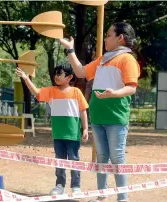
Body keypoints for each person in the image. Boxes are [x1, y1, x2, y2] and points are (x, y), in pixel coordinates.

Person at [59, 22, 141, 202]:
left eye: (108, 35)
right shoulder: (102, 59)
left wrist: (115, 93)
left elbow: (131, 88)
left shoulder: (127, 60)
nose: (105, 38)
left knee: (117, 158)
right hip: (97, 116)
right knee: (102, 157)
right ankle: (101, 195)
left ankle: (122, 198)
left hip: (116, 117)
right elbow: (80, 72)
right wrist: (70, 50)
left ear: (120, 38)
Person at [16, 64, 89, 195]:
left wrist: (85, 129)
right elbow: (37, 93)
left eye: (59, 74)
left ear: (70, 77)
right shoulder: (51, 91)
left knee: (74, 160)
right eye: (55, 73)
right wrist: (26, 79)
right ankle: (60, 185)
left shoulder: (76, 92)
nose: (56, 76)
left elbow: (83, 111)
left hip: (72, 135)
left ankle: (76, 186)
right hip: (58, 134)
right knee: (59, 160)